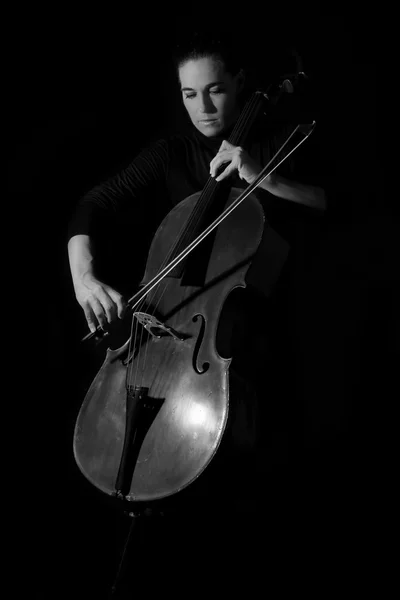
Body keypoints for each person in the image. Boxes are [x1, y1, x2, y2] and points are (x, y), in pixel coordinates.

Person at [67, 32, 327, 513]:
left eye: (216, 90)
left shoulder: (281, 140)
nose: (202, 105)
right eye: (189, 93)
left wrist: (260, 174)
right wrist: (84, 277)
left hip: (263, 330)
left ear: (240, 83)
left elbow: (332, 204)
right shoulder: (172, 151)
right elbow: (94, 204)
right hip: (168, 322)